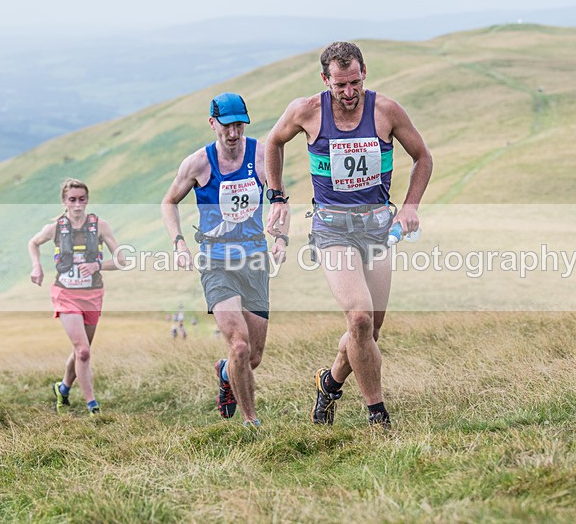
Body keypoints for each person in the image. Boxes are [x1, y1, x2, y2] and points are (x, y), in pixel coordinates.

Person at [265, 41, 433, 427]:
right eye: (339, 85)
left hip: (377, 228)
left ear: (364, 74)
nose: (348, 92)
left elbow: (422, 156)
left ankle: (330, 384)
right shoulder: (306, 111)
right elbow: (274, 142)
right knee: (358, 319)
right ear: (325, 80)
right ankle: (378, 413)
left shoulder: (386, 111)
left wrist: (410, 206)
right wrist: (276, 197)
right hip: (332, 228)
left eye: (354, 82)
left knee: (368, 331)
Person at [161, 92, 287, 428]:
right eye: (227, 126)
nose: (233, 134)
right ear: (212, 123)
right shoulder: (198, 164)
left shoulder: (262, 154)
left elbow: (279, 199)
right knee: (241, 347)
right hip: (217, 262)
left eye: (239, 126)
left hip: (255, 260)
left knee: (253, 357)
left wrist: (282, 237)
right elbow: (169, 201)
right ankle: (250, 421)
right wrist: (178, 243)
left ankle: (224, 371)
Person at [28, 178, 122, 417]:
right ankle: (92, 405)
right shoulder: (55, 228)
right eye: (72, 200)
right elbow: (33, 242)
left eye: (82, 199)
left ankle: (63, 388)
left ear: (87, 200)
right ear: (64, 202)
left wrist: (97, 265)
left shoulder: (100, 226)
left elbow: (122, 260)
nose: (77, 204)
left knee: (82, 349)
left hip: (92, 295)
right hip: (65, 294)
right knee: (83, 351)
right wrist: (36, 266)